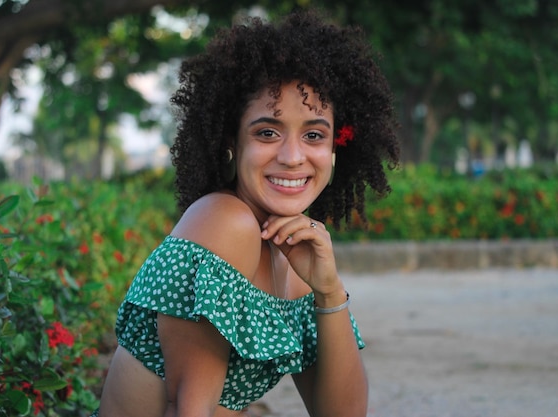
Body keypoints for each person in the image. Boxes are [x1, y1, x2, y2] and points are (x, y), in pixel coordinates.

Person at [94, 9, 399, 417]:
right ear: (231, 142)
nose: (293, 157)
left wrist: (329, 291)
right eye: (267, 132)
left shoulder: (297, 251)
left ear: (333, 150)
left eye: (313, 135)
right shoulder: (226, 223)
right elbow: (188, 411)